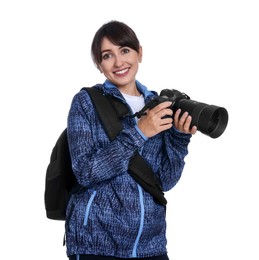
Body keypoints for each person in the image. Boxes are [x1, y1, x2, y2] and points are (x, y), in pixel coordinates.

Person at [65, 20, 197, 260]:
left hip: (151, 245)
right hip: (96, 244)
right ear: (98, 64)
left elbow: (164, 182)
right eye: (107, 55)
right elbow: (85, 172)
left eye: (125, 50)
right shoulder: (86, 102)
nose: (118, 62)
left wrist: (179, 139)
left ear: (140, 53)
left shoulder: (158, 105)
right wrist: (140, 132)